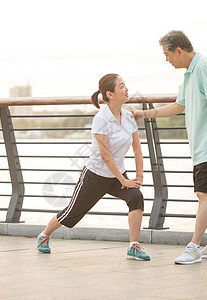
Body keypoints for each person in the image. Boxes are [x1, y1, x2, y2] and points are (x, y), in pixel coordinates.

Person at [132, 30, 207, 264]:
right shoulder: (190, 73)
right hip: (205, 147)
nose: (166, 59)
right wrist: (144, 113)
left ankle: (194, 247)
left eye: (167, 54)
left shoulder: (204, 67)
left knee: (204, 195)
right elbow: (179, 106)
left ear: (179, 50)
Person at [36, 73, 150, 261]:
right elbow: (105, 155)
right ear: (110, 94)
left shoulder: (129, 117)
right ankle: (44, 235)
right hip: (95, 175)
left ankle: (134, 246)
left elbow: (137, 149)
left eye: (125, 85)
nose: (126, 89)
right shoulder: (101, 119)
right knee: (72, 213)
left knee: (136, 197)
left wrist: (139, 177)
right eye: (121, 86)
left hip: (117, 175)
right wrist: (123, 180)